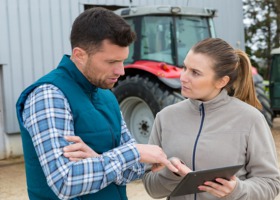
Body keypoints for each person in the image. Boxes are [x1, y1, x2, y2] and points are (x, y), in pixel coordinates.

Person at [15, 7, 178, 200]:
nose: (121, 71)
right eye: (111, 62)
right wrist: (132, 152)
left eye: (123, 60)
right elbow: (65, 182)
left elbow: (131, 170)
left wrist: (98, 159)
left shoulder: (107, 95)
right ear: (79, 55)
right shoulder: (49, 96)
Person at [142, 38, 280, 200]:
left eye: (195, 72)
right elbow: (152, 189)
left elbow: (271, 184)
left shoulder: (251, 119)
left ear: (222, 81)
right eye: (185, 67)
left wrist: (236, 190)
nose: (183, 77)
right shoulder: (165, 117)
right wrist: (172, 174)